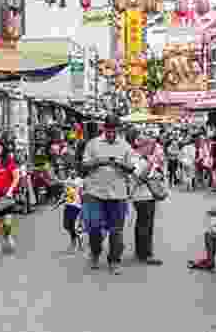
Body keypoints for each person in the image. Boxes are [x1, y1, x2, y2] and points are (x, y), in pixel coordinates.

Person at [81, 115, 136, 275]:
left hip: (118, 194)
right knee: (94, 227)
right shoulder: (93, 144)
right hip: (95, 192)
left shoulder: (125, 146)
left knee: (116, 230)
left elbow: (132, 168)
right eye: (109, 130)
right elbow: (84, 166)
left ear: (118, 130)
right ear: (104, 128)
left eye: (114, 131)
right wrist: (100, 161)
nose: (111, 134)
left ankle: (114, 261)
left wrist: (119, 163)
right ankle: (95, 253)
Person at [132, 132, 164, 266]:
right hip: (141, 196)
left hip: (148, 195)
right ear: (143, 146)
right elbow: (139, 178)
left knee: (144, 224)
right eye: (150, 146)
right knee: (145, 225)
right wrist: (151, 163)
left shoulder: (145, 157)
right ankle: (145, 254)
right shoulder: (135, 158)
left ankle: (141, 251)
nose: (152, 149)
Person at [63, 172, 84, 253]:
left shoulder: (80, 181)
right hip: (68, 204)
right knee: (66, 225)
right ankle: (76, 240)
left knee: (75, 225)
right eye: (70, 170)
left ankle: (75, 243)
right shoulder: (67, 181)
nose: (72, 172)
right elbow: (65, 192)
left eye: (74, 170)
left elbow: (82, 193)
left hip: (77, 205)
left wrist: (83, 204)